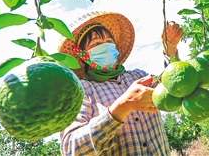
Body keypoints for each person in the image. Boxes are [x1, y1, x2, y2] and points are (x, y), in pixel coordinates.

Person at [58, 11, 184, 156]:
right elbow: (71, 149)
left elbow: (175, 88)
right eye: (96, 44)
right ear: (82, 55)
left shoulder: (138, 76)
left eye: (109, 41)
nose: (105, 46)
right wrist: (122, 106)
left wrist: (171, 50)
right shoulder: (81, 92)